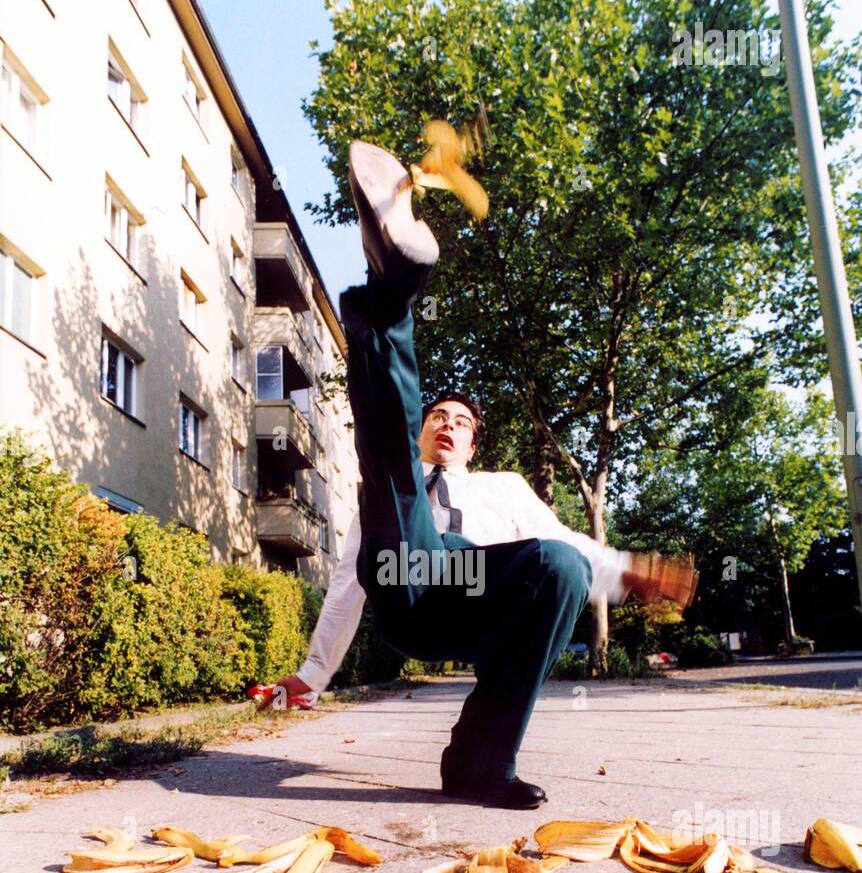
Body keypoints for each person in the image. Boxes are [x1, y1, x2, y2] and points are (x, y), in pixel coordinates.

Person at [264, 140, 697, 809]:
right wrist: (313, 674)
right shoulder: (401, 479)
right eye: (437, 416)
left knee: (560, 564)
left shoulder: (504, 488)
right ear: (422, 427)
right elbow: (351, 580)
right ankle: (392, 292)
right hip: (409, 588)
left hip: (481, 606)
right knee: (395, 481)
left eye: (461, 422)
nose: (447, 425)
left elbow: (568, 543)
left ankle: (478, 763)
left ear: (473, 441)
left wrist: (627, 573)